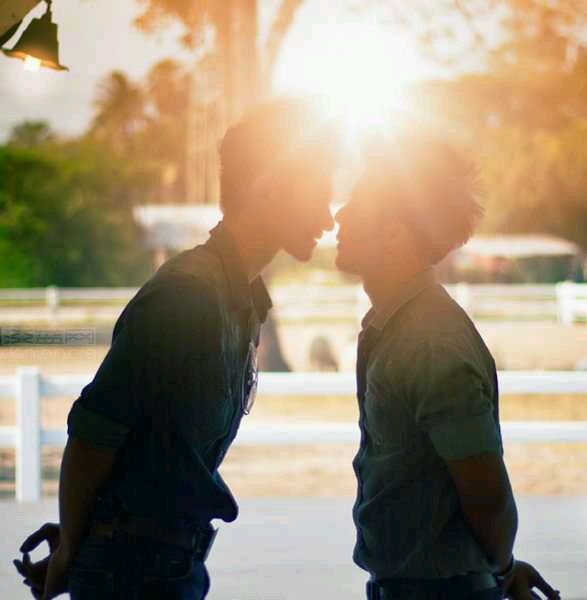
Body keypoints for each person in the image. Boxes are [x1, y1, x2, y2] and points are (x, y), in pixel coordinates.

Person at [14, 97, 338, 600]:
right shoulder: (187, 295)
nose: (328, 218)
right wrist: (74, 550)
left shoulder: (241, 300)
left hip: (167, 566)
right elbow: (94, 432)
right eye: (317, 195)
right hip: (133, 575)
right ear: (268, 189)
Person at [334, 130, 561, 600]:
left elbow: (487, 496)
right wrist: (502, 568)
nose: (341, 215)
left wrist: (501, 568)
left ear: (395, 234)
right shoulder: (397, 327)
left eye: (357, 206)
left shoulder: (430, 343)